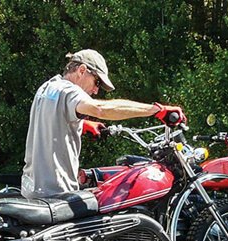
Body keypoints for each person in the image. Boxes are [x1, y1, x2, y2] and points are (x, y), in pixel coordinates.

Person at [21, 49, 186, 199]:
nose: (95, 91)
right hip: (55, 191)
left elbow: (49, 118)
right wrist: (156, 110)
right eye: (97, 82)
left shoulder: (48, 87)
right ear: (82, 71)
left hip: (32, 187)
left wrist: (81, 122)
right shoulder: (69, 91)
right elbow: (100, 109)